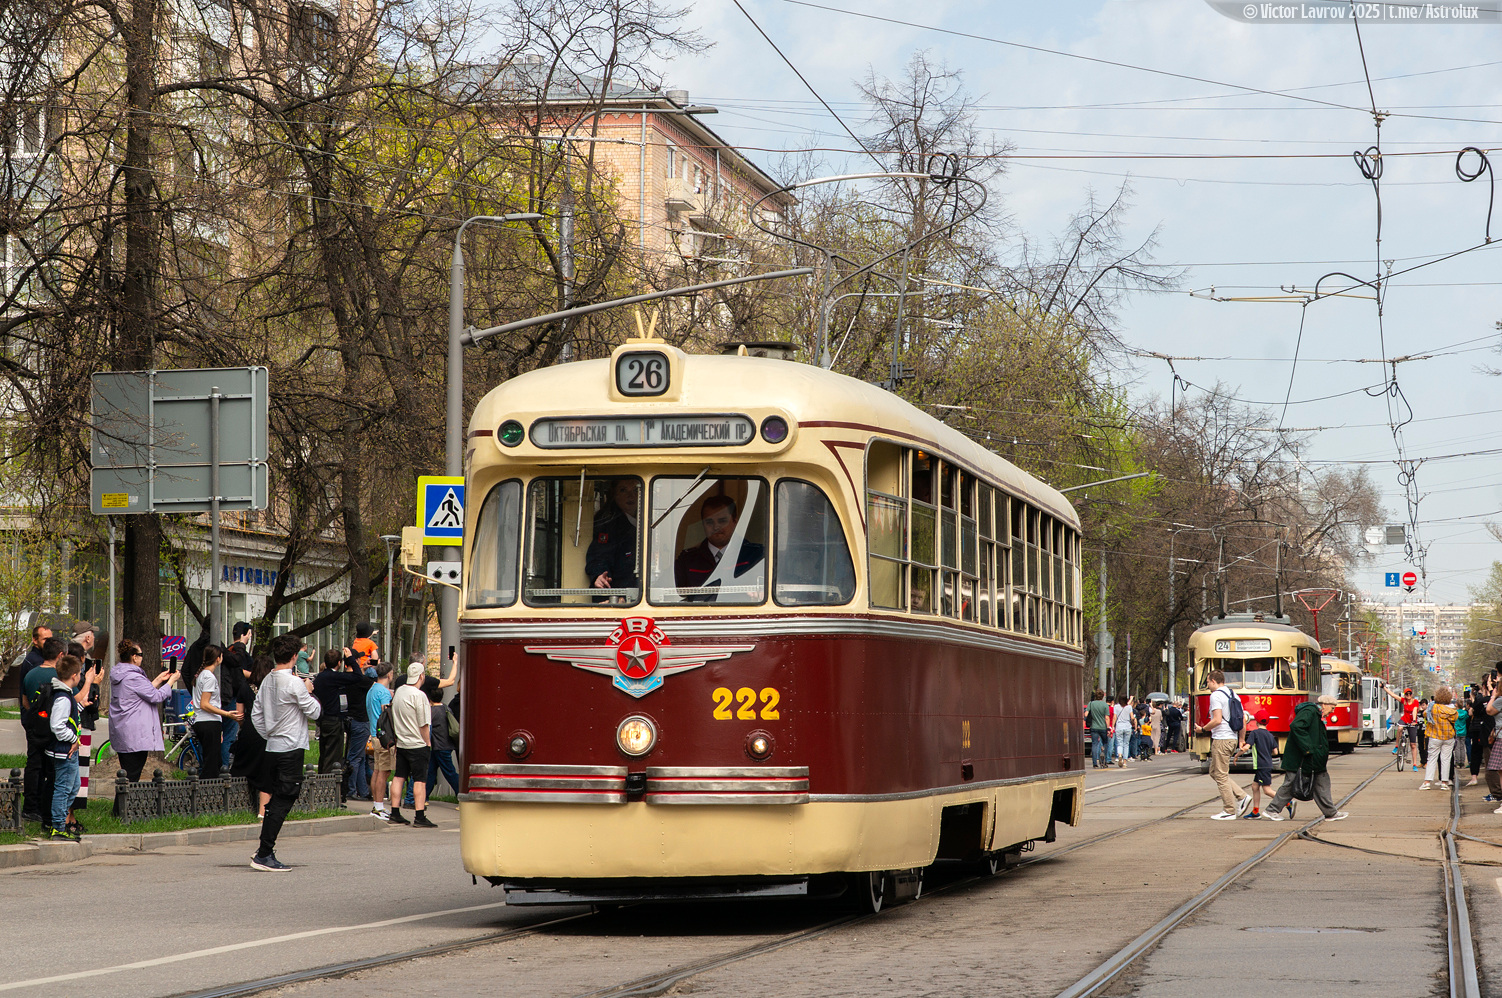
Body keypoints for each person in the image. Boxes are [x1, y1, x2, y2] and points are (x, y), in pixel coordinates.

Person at [249, 633, 321, 871]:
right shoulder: (294, 683)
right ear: (294, 656)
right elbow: (315, 712)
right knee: (285, 797)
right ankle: (264, 853)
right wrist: (308, 689)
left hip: (272, 747)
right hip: (290, 747)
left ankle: (264, 847)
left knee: (276, 798)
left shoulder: (268, 680)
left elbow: (256, 714)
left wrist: (268, 735)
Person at [1265, 695, 1349, 822]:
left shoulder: (1315, 714)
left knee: (1320, 783)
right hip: (1301, 759)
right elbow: (1296, 726)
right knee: (1291, 783)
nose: (1332, 711)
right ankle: (1271, 810)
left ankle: (1331, 813)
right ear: (1324, 705)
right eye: (1332, 708)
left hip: (1311, 760)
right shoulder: (1310, 711)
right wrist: (1308, 748)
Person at [107, 640, 178, 783]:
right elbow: (156, 696)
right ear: (134, 657)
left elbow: (141, 693)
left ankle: (123, 805)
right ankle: (122, 806)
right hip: (135, 736)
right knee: (131, 779)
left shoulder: (120, 674)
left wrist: (159, 679)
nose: (142, 657)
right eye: (141, 654)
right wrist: (171, 682)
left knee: (127, 776)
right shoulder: (134, 676)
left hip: (124, 733)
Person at [674, 495, 765, 600]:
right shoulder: (687, 560)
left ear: (735, 521)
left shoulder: (756, 555)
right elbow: (663, 589)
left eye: (722, 521)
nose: (716, 526)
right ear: (703, 524)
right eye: (709, 522)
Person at [19, 635, 68, 822]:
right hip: (52, 730)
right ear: (61, 654)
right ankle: (47, 808)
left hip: (34, 726)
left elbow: (24, 701)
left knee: (33, 766)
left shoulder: (31, 673)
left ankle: (30, 807)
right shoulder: (58, 676)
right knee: (52, 770)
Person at [45, 655, 92, 840]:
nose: (80, 676)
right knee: (64, 788)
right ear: (74, 675)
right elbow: (57, 725)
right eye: (80, 673)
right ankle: (58, 826)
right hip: (64, 751)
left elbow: (68, 717)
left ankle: (59, 821)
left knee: (73, 787)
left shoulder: (66, 695)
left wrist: (80, 707)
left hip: (68, 751)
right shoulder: (63, 697)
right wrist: (74, 739)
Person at [1197, 669, 1252, 820]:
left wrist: (1202, 729)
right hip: (1232, 738)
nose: (1207, 685)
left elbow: (1217, 720)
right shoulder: (1234, 695)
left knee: (1220, 775)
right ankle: (1241, 796)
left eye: (1208, 682)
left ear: (1214, 681)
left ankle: (1229, 810)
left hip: (1221, 739)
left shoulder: (1215, 696)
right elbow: (1242, 720)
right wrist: (1241, 739)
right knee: (1214, 772)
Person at [387, 662, 436, 828]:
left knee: (399, 777)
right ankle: (420, 815)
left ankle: (394, 812)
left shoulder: (399, 691)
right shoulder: (419, 695)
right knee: (420, 780)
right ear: (421, 676)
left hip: (401, 744)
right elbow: (424, 724)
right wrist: (427, 743)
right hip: (417, 744)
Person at [232, 654, 276, 819]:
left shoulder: (244, 687)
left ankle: (236, 806)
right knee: (265, 771)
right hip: (266, 732)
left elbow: (240, 715)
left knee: (241, 767)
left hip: (249, 732)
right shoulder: (272, 689)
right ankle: (262, 811)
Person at [586, 479, 640, 598]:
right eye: (623, 490)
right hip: (617, 594)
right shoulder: (607, 522)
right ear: (614, 494)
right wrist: (599, 576)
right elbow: (599, 555)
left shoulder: (646, 519)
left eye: (636, 490)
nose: (630, 496)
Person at [193, 646, 240, 779]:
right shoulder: (209, 677)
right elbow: (204, 703)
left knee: (211, 759)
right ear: (218, 659)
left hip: (203, 721)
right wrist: (226, 714)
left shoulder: (200, 675)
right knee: (211, 763)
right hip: (209, 721)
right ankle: (206, 791)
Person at [222, 623, 255, 770]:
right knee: (230, 736)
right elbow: (239, 672)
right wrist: (254, 675)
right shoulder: (239, 653)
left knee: (224, 736)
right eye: (250, 634)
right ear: (246, 634)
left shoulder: (228, 650)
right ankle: (226, 768)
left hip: (226, 697)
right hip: (234, 699)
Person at [366, 663, 396, 821]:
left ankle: (376, 805)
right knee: (384, 772)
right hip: (384, 737)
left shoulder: (372, 690)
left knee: (377, 771)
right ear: (390, 675)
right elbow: (387, 715)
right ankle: (378, 806)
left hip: (374, 734)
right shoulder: (384, 693)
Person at [1237, 709, 1278, 818]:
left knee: (1267, 790)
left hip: (1261, 765)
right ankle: (1255, 811)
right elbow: (1276, 752)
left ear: (1256, 722)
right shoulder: (1270, 735)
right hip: (1267, 764)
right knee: (1255, 786)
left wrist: (1237, 755)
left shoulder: (1254, 733)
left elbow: (1247, 747)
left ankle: (1287, 802)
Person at [424, 677, 461, 800]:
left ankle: (460, 794)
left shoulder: (432, 712)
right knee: (431, 771)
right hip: (444, 745)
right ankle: (424, 797)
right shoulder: (445, 708)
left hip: (440, 747)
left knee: (449, 772)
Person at [1420, 687, 1458, 791]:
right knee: (1446, 759)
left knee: (1431, 759)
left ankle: (1427, 782)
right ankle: (1444, 783)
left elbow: (1424, 714)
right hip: (1448, 737)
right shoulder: (1452, 710)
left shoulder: (1433, 708)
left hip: (1435, 736)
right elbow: (1455, 718)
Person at [1086, 690, 1110, 768]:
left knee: (1094, 744)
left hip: (1094, 726)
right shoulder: (1105, 705)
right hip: (1103, 727)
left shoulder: (1091, 704)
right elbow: (1107, 718)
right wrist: (1108, 728)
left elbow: (1086, 714)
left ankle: (1094, 763)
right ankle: (1104, 760)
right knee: (1105, 743)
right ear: (1103, 696)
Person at [1112, 694, 1134, 768]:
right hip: (1127, 726)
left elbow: (1115, 717)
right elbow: (1132, 717)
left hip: (1119, 727)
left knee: (1119, 743)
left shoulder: (1116, 707)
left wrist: (1112, 726)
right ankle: (1124, 762)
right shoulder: (1129, 707)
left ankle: (1120, 755)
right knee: (1126, 744)